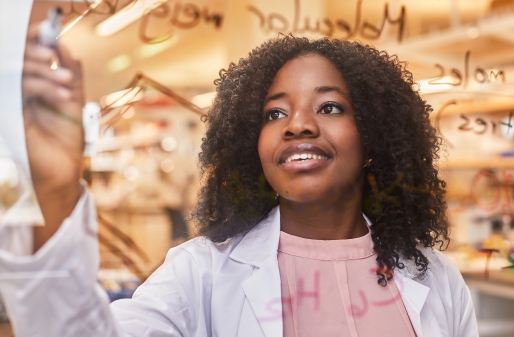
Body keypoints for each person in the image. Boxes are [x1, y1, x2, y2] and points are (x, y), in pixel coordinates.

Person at [0, 22, 478, 337]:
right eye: (274, 113)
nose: (297, 125)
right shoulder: (201, 273)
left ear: (374, 136)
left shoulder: (437, 280)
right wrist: (55, 191)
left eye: (329, 106)